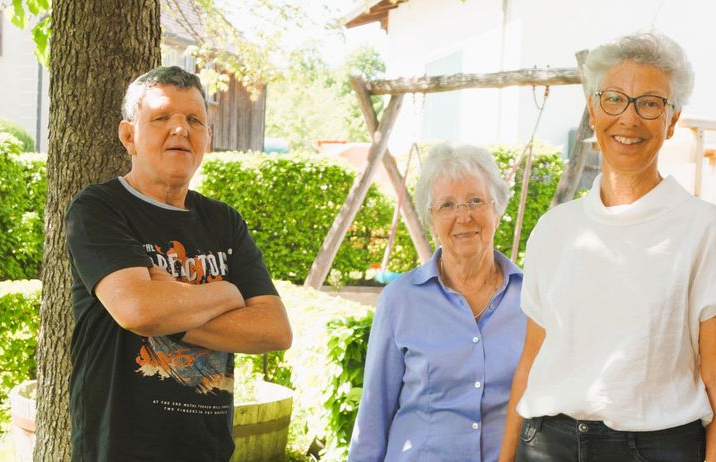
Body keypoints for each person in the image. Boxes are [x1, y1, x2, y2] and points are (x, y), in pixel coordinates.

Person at [499, 31, 716, 462]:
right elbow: (531, 361)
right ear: (593, 110)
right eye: (614, 98)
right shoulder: (554, 229)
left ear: (673, 120)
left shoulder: (707, 230)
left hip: (656, 447)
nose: (629, 119)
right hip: (545, 444)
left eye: (651, 103)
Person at [66, 66, 292, 461]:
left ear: (208, 138)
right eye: (161, 118)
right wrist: (226, 292)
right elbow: (139, 310)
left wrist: (170, 303)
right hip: (118, 450)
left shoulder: (224, 221)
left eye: (194, 120)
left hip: (207, 451)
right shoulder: (99, 209)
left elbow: (274, 330)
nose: (180, 129)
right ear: (129, 136)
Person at [348, 143, 527, 461]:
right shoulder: (400, 300)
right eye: (447, 205)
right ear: (431, 220)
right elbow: (373, 416)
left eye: (475, 200)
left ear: (497, 209)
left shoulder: (531, 299)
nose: (464, 216)